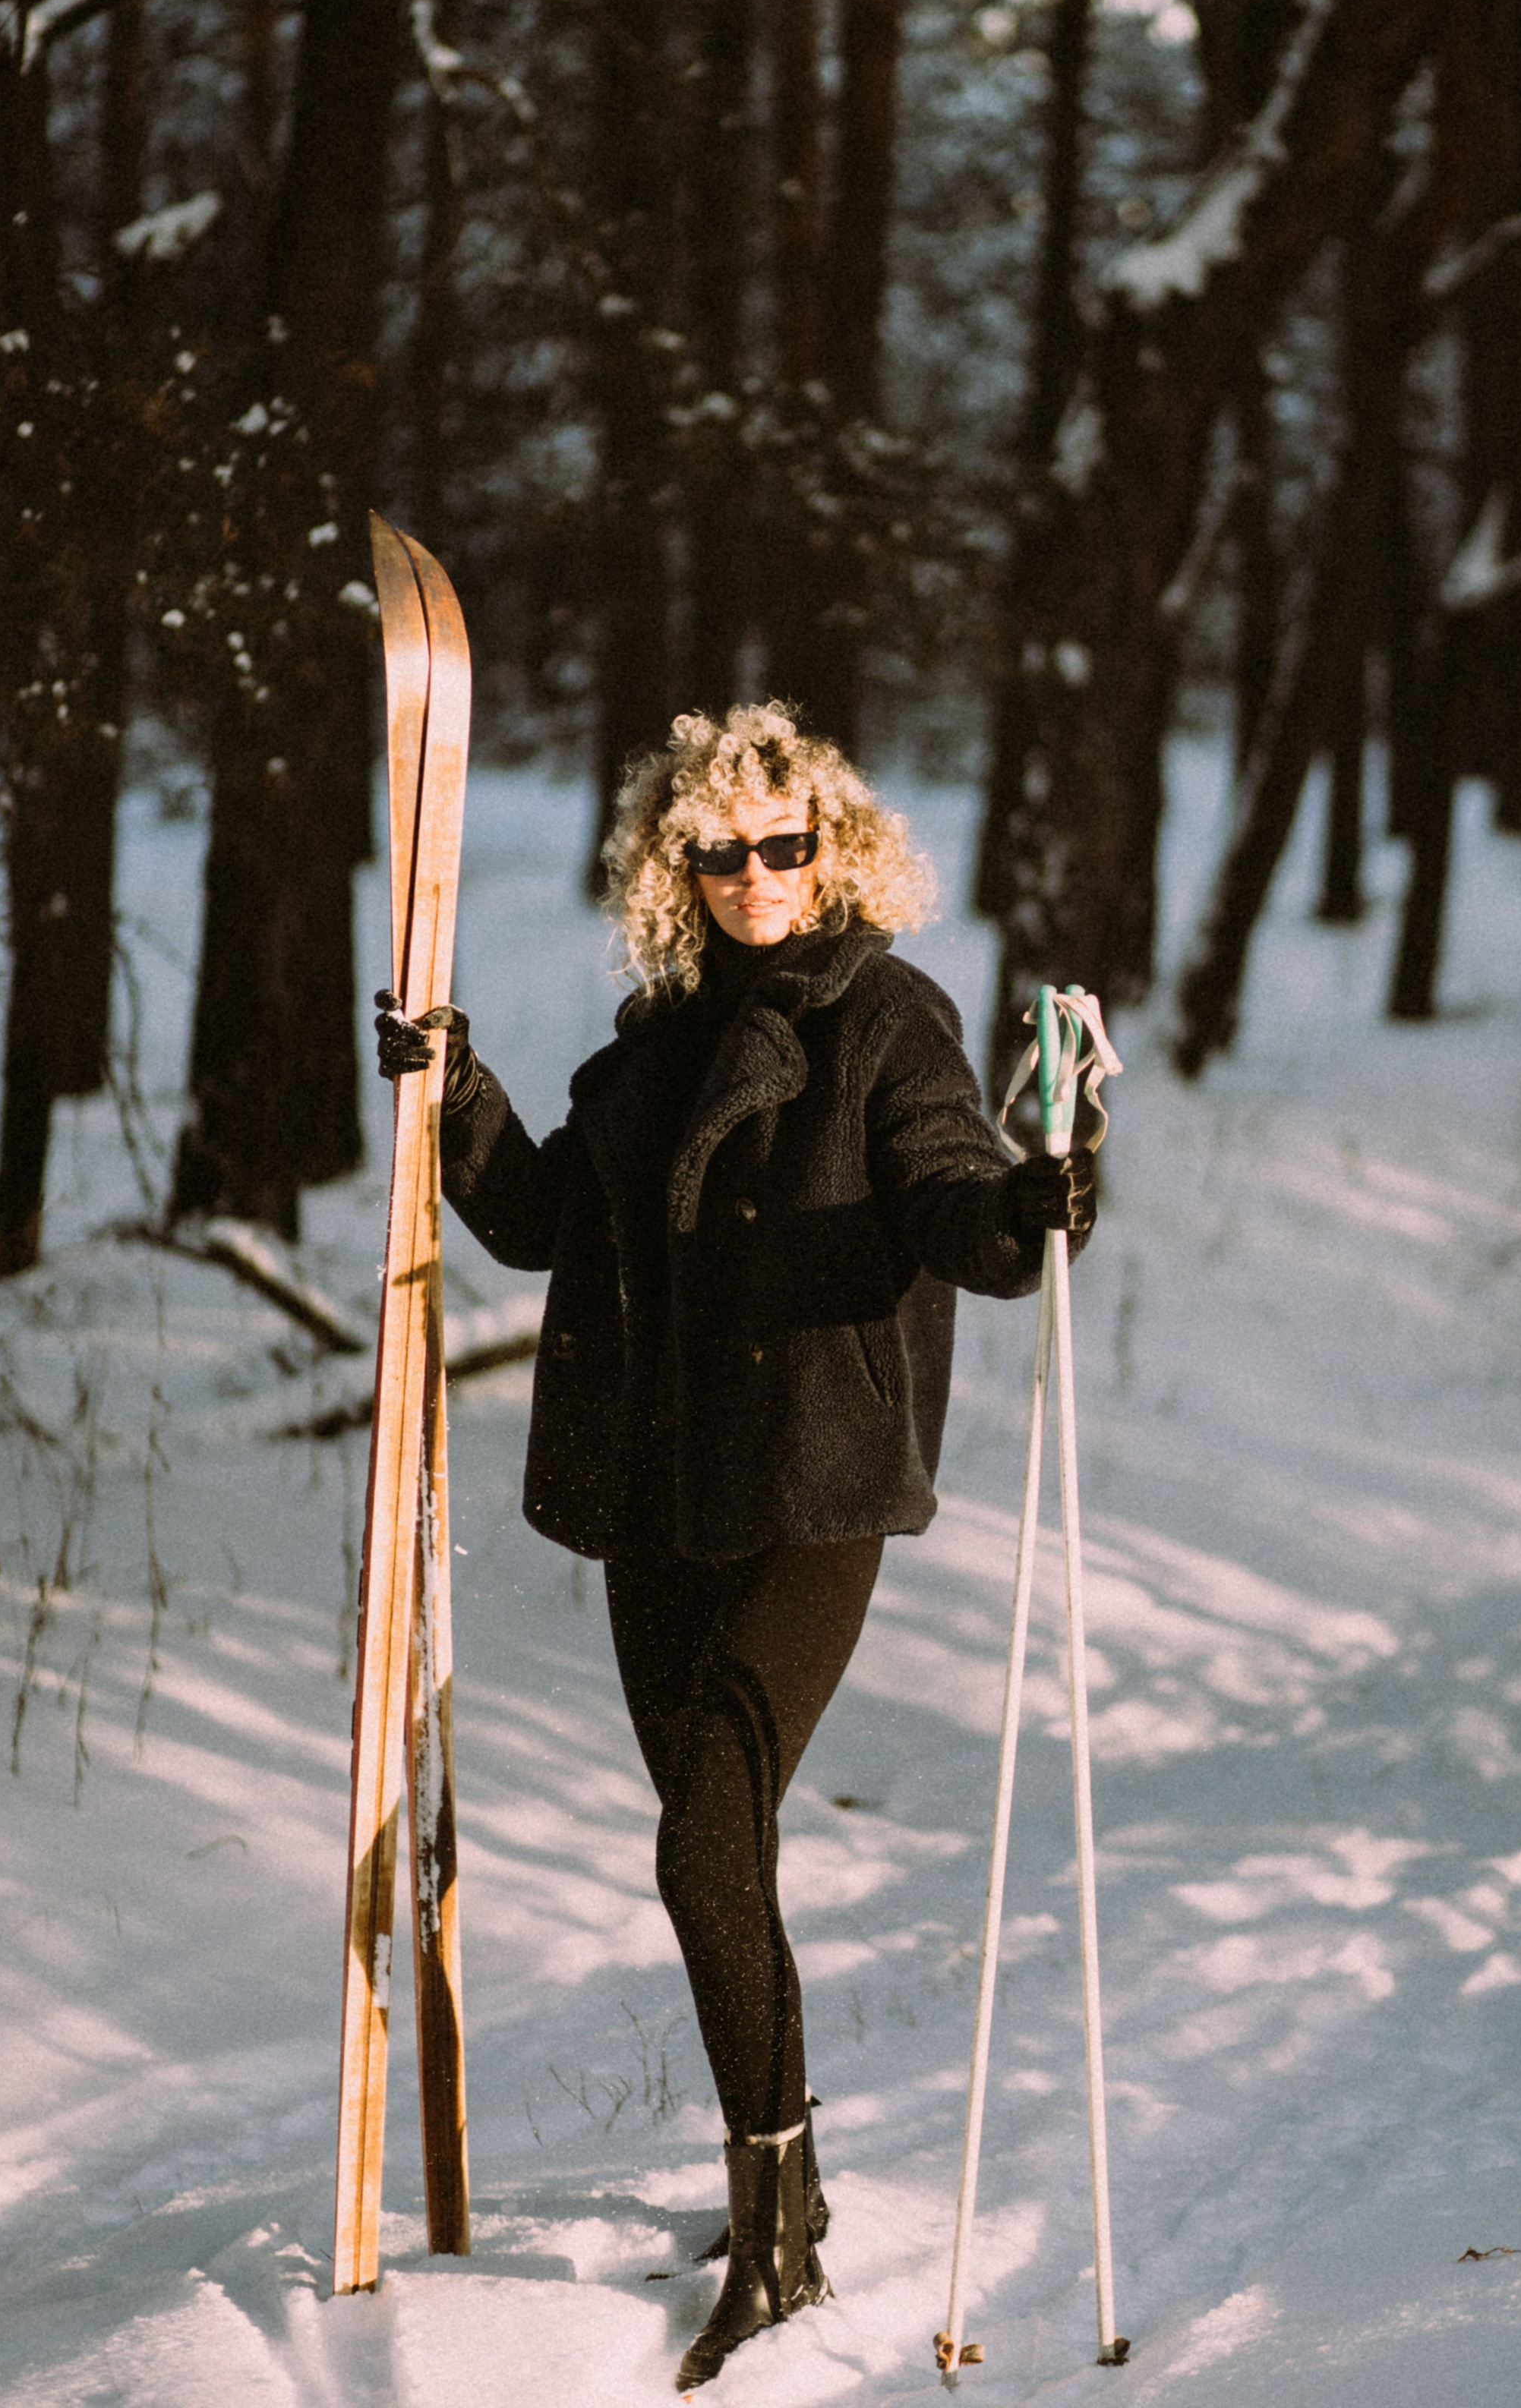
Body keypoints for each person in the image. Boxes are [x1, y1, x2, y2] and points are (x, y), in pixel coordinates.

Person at [377, 700, 1094, 2391]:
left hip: (806, 1488)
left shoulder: (885, 1020)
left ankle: (769, 2242)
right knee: (726, 1853)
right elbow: (543, 1221)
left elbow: (939, 1188)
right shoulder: (650, 1043)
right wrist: (451, 1085)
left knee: (700, 1840)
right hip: (658, 1499)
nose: (757, 874)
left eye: (786, 844)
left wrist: (1018, 1214)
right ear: (674, 867)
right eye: (720, 849)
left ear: (831, 847)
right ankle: (793, 2178)